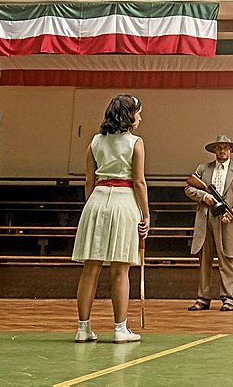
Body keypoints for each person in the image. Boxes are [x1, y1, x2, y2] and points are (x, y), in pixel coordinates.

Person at [72, 94, 150, 344]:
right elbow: (138, 182)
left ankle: (83, 329)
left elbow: (88, 180)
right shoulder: (136, 142)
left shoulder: (95, 141)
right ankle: (120, 329)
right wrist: (145, 214)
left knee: (90, 269)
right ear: (128, 115)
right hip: (124, 201)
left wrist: (91, 206)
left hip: (96, 200)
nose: (140, 117)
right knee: (120, 270)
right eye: (137, 112)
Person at [184, 135, 233, 312]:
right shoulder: (203, 169)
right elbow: (189, 188)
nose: (222, 151)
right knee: (204, 260)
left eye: (226, 147)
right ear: (214, 150)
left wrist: (232, 213)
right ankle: (203, 298)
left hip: (226, 221)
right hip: (206, 218)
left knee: (227, 259)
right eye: (219, 148)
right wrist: (204, 196)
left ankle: (228, 298)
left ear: (230, 150)